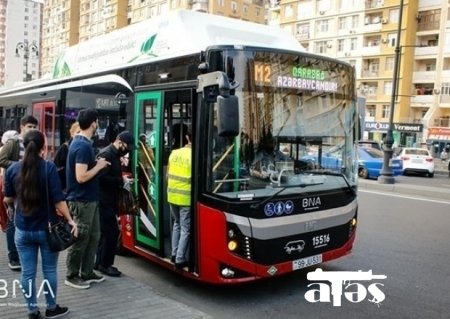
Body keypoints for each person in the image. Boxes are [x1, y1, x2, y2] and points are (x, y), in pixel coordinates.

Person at [3, 129, 78, 319]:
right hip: (47, 230)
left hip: (22, 230)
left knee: (27, 274)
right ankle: (51, 308)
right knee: (50, 270)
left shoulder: (12, 169)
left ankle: (32, 311)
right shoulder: (48, 168)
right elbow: (58, 201)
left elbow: (7, 199)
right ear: (43, 146)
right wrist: (70, 220)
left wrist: (16, 206)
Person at [64, 108, 110, 289]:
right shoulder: (82, 145)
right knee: (81, 237)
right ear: (93, 123)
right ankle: (72, 274)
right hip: (82, 200)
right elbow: (81, 176)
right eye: (97, 121)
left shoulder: (81, 143)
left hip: (89, 199)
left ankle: (87, 271)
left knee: (93, 236)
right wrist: (98, 166)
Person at [0, 115, 38, 271]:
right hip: (13, 186)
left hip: (28, 187)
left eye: (34, 127)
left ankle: (23, 253)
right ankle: (13, 257)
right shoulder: (14, 142)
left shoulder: (34, 143)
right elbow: (1, 159)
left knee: (25, 220)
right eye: (29, 126)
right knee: (11, 221)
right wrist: (20, 165)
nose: (32, 129)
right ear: (22, 127)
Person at [95, 131, 134, 277]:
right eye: (126, 146)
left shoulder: (114, 154)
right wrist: (121, 181)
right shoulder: (107, 155)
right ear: (119, 142)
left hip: (108, 199)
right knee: (112, 232)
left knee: (106, 233)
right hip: (104, 200)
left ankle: (99, 262)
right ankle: (106, 265)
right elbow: (101, 178)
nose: (127, 149)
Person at [167, 127, 192, 269]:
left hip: (172, 195)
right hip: (185, 198)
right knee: (185, 229)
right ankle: (180, 259)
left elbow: (167, 175)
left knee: (176, 224)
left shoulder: (174, 153)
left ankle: (174, 254)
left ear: (187, 138)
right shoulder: (194, 155)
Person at [53, 122, 80, 192]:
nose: (80, 135)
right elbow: (57, 167)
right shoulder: (65, 148)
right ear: (72, 133)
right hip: (66, 187)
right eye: (78, 132)